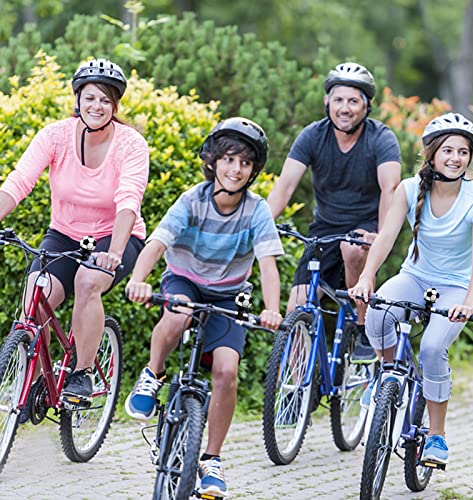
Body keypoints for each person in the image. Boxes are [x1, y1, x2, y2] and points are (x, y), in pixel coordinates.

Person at [125, 117, 283, 498]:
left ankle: (212, 459)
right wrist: (138, 279)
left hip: (229, 295)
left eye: (245, 163)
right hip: (186, 282)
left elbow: (267, 266)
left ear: (253, 171)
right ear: (213, 160)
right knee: (177, 313)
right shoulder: (192, 201)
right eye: (228, 159)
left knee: (227, 371)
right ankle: (153, 372)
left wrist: (272, 309)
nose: (236, 169)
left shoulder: (256, 210)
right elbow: (156, 244)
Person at [0, 58, 149, 408]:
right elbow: (18, 182)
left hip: (116, 237)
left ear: (115, 105)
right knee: (36, 299)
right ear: (77, 98)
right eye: (90, 97)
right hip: (65, 234)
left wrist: (114, 252)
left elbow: (129, 199)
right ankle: (38, 384)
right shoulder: (55, 136)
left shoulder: (130, 144)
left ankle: (82, 373)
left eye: (105, 100)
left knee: (87, 282)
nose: (97, 106)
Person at [350, 112, 473, 464]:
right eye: (448, 150)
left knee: (431, 348)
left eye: (463, 152)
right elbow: (386, 238)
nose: (455, 158)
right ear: (432, 154)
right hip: (415, 276)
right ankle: (385, 374)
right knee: (378, 313)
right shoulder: (409, 189)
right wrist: (366, 276)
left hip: (455, 287)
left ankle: (436, 436)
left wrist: (470, 303)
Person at [267, 62, 401, 363]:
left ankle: (362, 326)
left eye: (353, 101)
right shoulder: (313, 135)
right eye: (338, 99)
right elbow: (284, 186)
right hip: (324, 231)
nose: (345, 108)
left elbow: (390, 189)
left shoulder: (381, 138)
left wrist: (380, 236)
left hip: (364, 228)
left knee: (352, 249)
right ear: (327, 101)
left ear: (366, 105)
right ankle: (295, 382)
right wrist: (258, 227)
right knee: (296, 309)